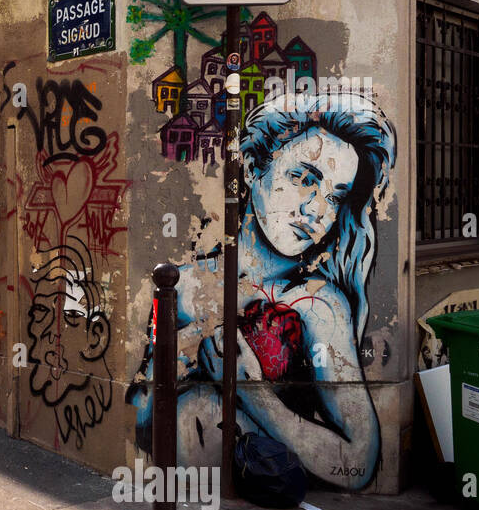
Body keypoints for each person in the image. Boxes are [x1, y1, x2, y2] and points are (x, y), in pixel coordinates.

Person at [129, 89, 396, 489]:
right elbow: (141, 414)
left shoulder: (318, 305)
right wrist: (182, 354)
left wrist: (253, 393)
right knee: (194, 408)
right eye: (304, 178)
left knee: (201, 407)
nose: (317, 211)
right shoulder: (181, 284)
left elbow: (357, 462)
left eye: (335, 197)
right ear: (253, 167)